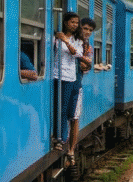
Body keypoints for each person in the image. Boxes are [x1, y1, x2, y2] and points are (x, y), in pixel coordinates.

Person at [52, 12, 83, 165]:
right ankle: (56, 135)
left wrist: (65, 41)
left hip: (69, 77)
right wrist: (60, 39)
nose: (74, 25)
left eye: (76, 23)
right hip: (55, 75)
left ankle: (62, 138)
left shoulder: (77, 40)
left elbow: (77, 54)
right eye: (72, 22)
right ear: (65, 22)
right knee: (55, 107)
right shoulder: (56, 37)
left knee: (64, 109)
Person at [67, 18, 95, 164]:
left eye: (90, 30)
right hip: (69, 79)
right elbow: (86, 63)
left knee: (75, 117)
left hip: (77, 82)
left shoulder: (88, 47)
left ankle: (71, 149)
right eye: (85, 28)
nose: (87, 32)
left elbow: (87, 66)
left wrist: (82, 60)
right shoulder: (74, 41)